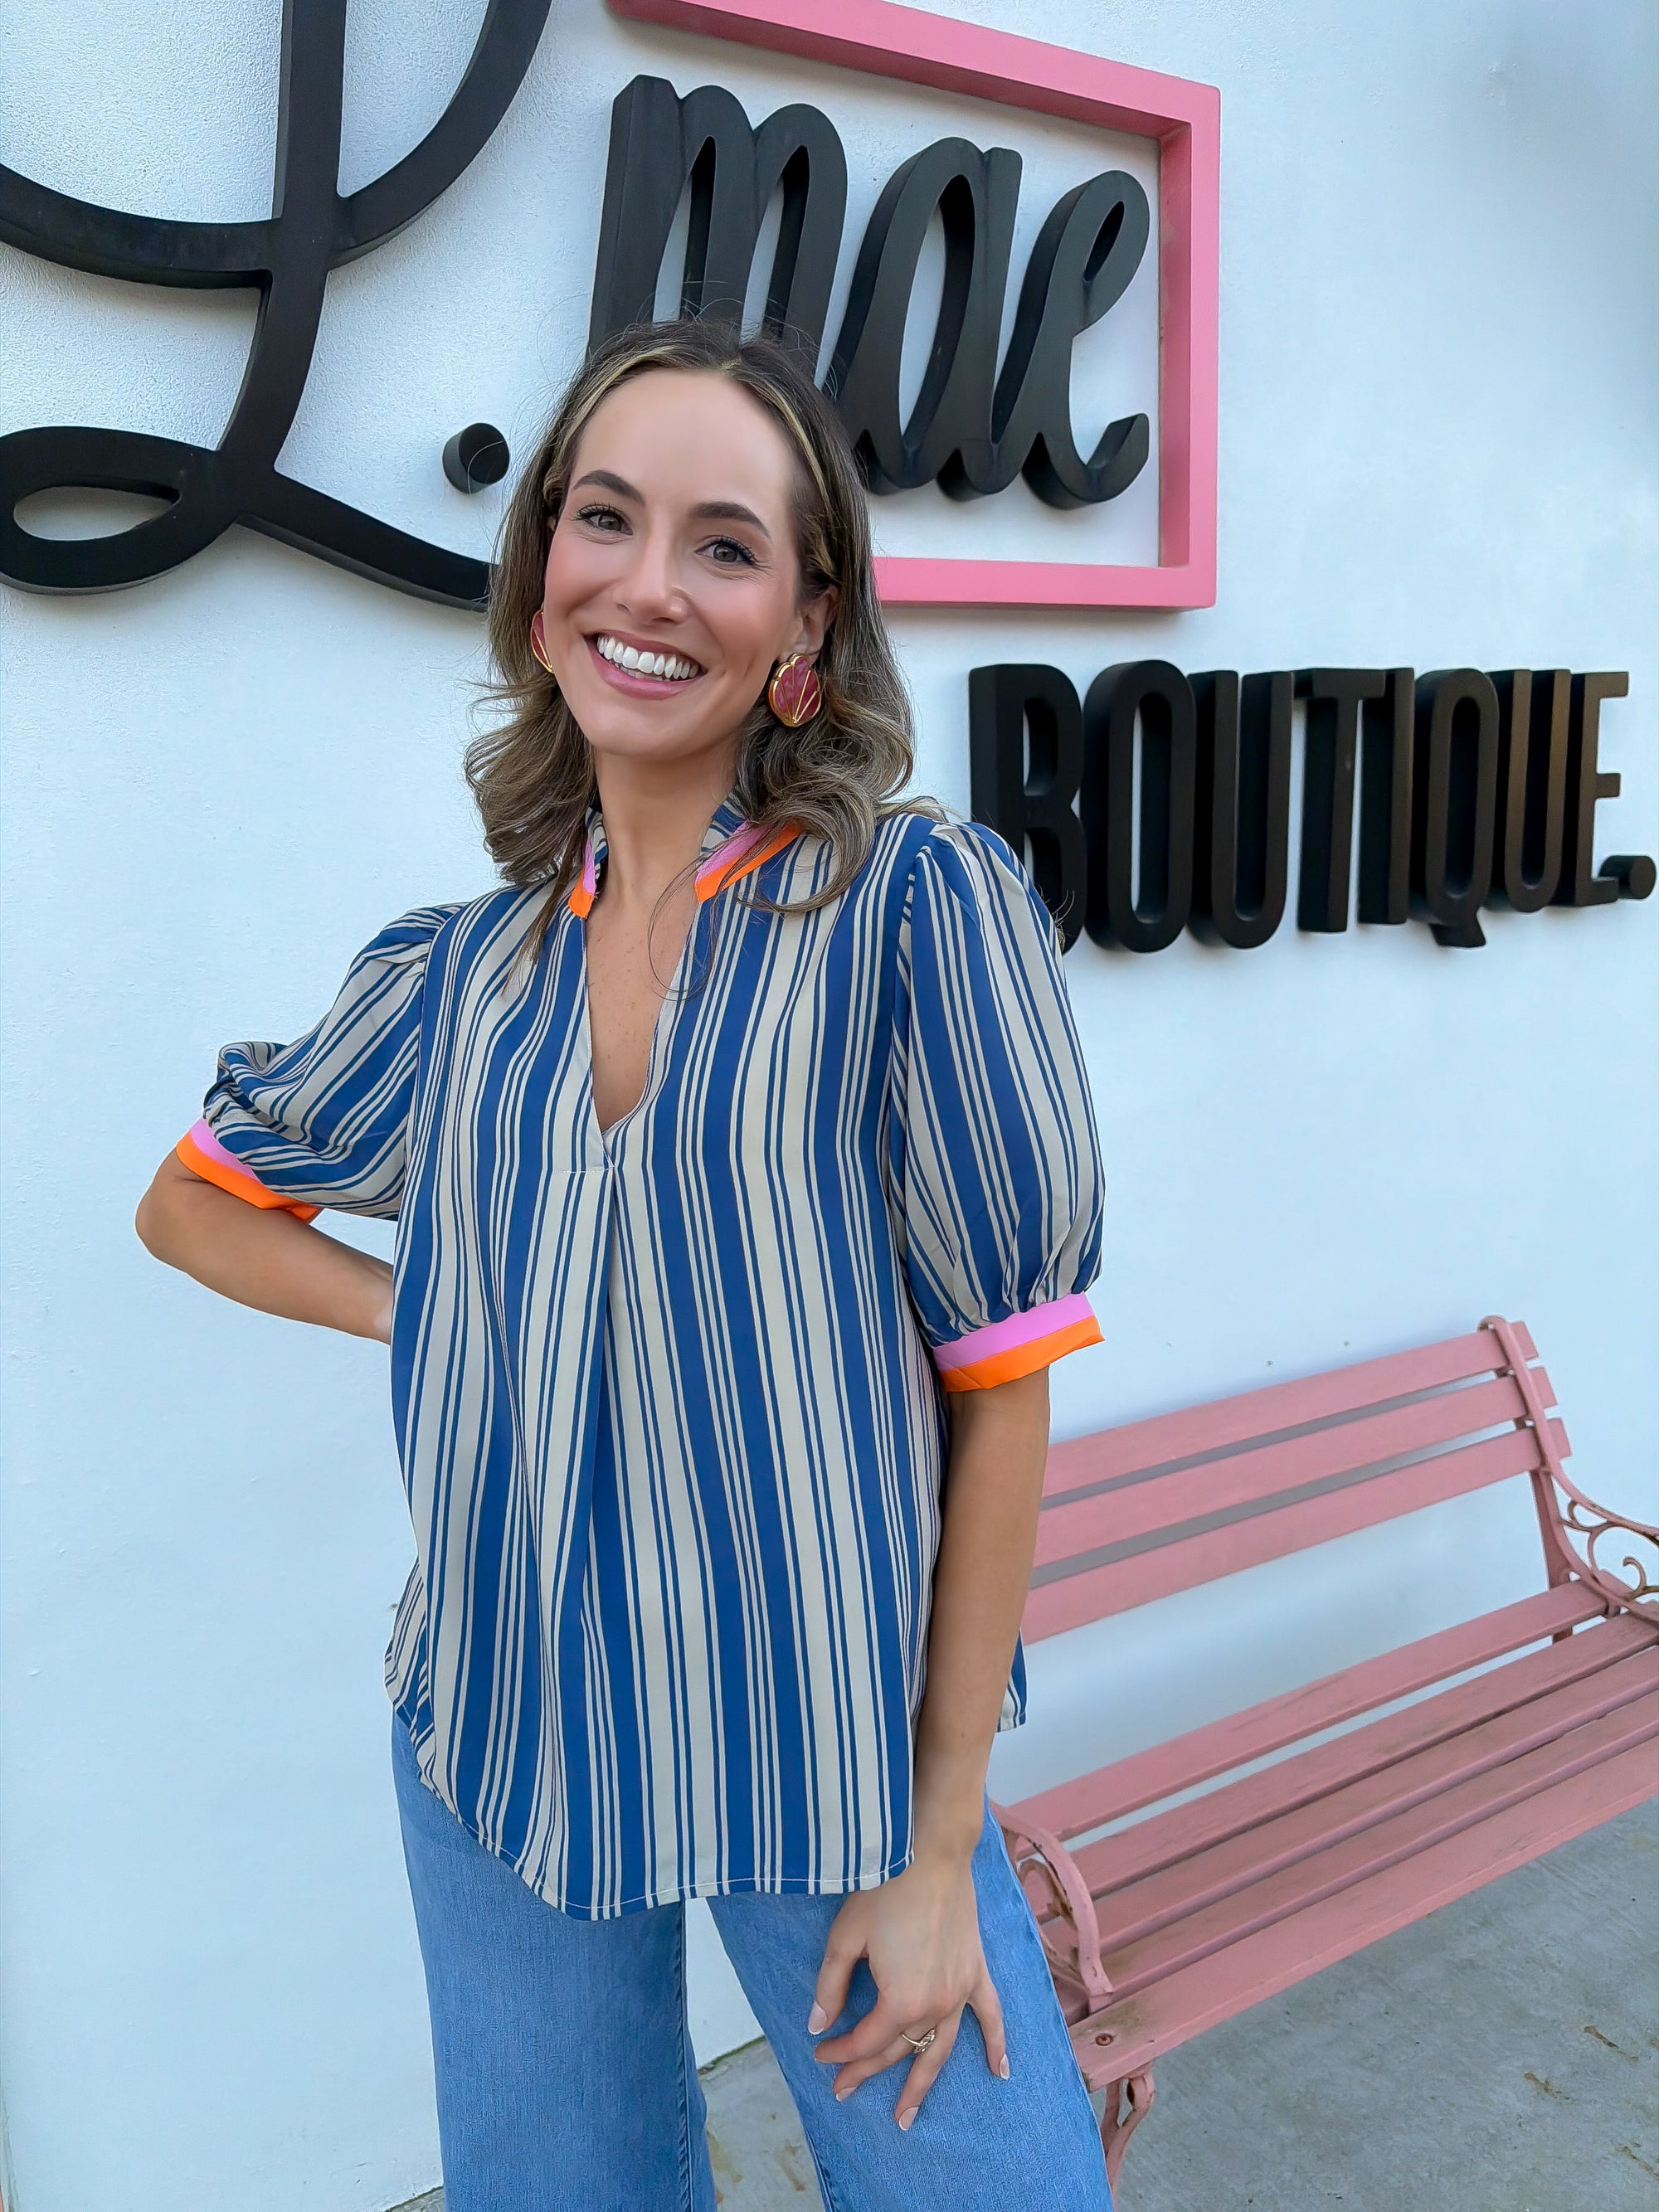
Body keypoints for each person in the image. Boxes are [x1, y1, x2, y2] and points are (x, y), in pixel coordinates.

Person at [136, 318, 1111, 2212]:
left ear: (804, 627)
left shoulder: (912, 912)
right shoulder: (453, 973)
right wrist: (431, 1302)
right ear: (541, 581)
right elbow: (194, 1203)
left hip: (819, 1750)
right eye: (605, 518)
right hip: (495, 1725)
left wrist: (930, 1854)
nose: (648, 584)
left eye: (724, 543)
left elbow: (1002, 1391)